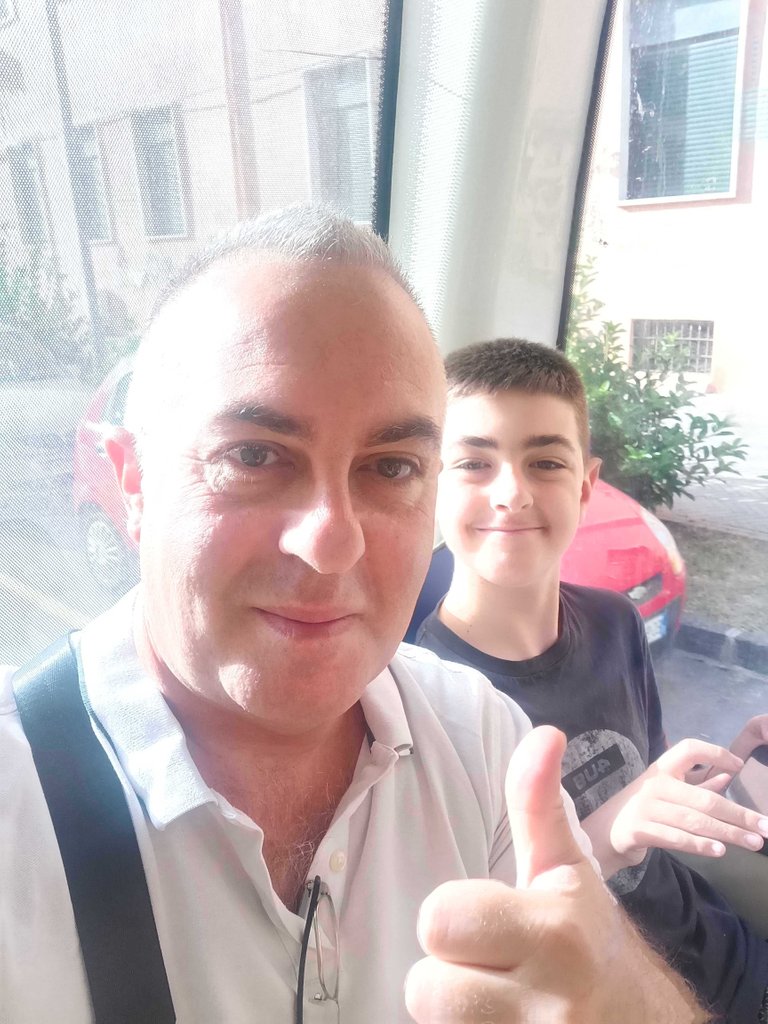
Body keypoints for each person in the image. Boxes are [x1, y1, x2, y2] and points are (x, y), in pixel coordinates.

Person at [2, 208, 709, 1023]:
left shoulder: (482, 740)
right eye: (254, 456)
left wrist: (623, 994)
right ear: (133, 482)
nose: (331, 544)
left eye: (391, 467)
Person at [414, 337, 768, 1023]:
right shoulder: (426, 701)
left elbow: (646, 784)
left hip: (722, 948)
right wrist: (609, 834)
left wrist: (728, 774)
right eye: (474, 462)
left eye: (545, 461)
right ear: (431, 482)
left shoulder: (616, 623)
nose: (512, 492)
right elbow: (474, 942)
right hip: (615, 996)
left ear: (585, 484)